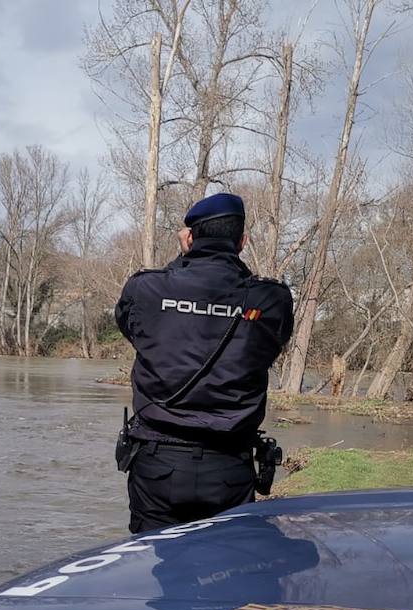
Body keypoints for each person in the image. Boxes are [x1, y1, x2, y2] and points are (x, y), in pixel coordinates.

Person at [115, 193, 295, 533]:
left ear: (189, 238)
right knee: (227, 568)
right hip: (229, 467)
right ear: (242, 241)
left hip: (157, 466)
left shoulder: (146, 290)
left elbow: (134, 330)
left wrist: (183, 262)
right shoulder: (270, 300)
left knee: (155, 569)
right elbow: (272, 346)